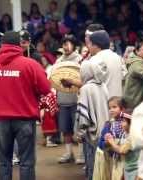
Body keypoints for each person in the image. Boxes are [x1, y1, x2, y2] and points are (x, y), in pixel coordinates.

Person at [0, 31, 51, 180]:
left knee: (3, 162)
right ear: (19, 44)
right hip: (24, 119)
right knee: (26, 162)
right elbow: (46, 88)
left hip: (1, 120)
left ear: (2, 45)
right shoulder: (30, 64)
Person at [75, 60, 109, 180]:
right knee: (103, 166)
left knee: (92, 165)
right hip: (105, 131)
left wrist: (80, 133)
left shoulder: (85, 89)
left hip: (92, 134)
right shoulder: (103, 85)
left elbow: (83, 117)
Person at [55, 34, 84, 164]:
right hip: (62, 99)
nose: (65, 47)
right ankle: (69, 153)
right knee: (65, 129)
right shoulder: (59, 60)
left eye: (68, 44)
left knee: (79, 129)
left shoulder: (80, 60)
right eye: (64, 44)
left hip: (76, 99)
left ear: (74, 45)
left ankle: (82, 155)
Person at [93, 97, 126, 180]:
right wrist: (106, 143)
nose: (111, 110)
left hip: (127, 161)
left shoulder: (128, 124)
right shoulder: (109, 125)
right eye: (109, 108)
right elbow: (100, 144)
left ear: (123, 109)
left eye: (114, 107)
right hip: (113, 162)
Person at [87, 30, 125, 97]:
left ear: (96, 45)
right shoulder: (118, 57)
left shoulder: (95, 59)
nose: (88, 46)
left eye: (90, 43)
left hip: (102, 101)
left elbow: (91, 84)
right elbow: (124, 77)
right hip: (117, 101)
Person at [106, 111, 139, 180]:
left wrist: (112, 142)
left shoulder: (133, 136)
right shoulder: (124, 134)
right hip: (127, 168)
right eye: (121, 121)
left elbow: (122, 150)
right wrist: (109, 142)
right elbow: (118, 148)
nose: (121, 124)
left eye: (124, 121)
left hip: (135, 170)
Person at [123, 40, 143, 109]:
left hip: (136, 98)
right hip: (134, 99)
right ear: (137, 51)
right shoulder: (136, 63)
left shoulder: (141, 60)